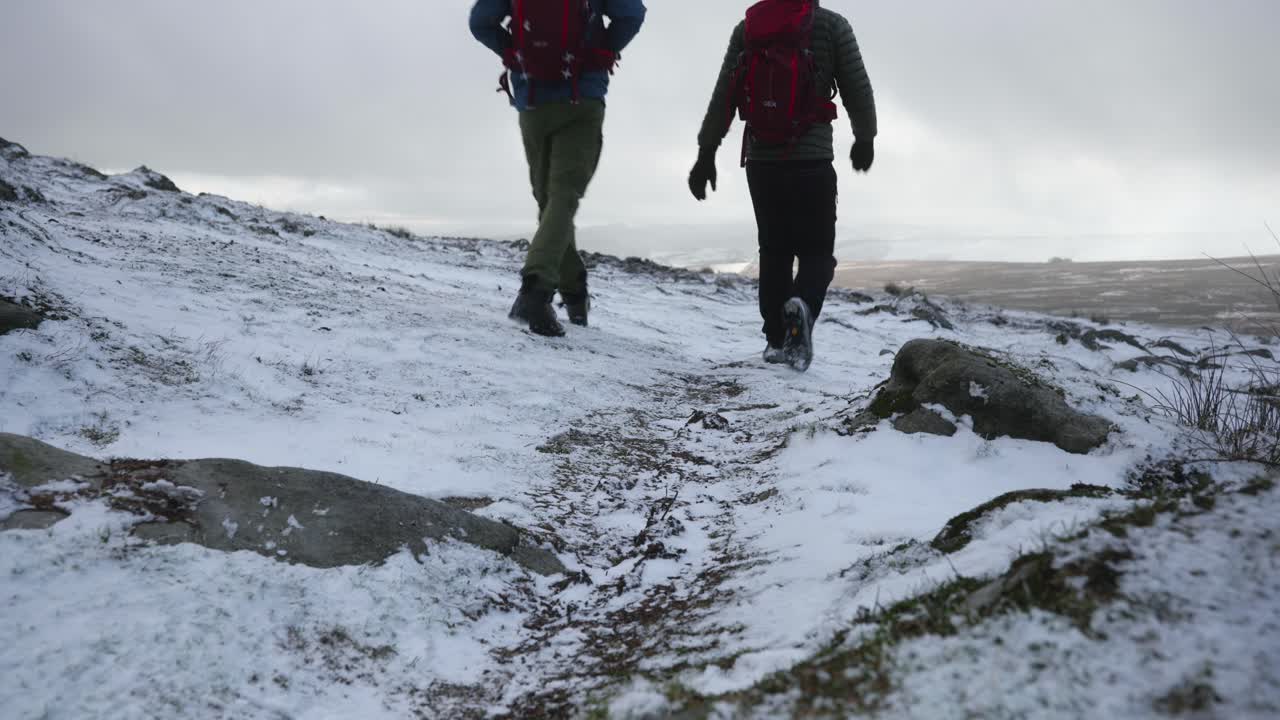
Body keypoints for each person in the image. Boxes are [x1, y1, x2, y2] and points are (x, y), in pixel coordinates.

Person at [689, 0, 876, 371]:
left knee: (774, 250)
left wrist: (706, 154)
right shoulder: (832, 26)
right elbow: (857, 85)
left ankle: (776, 339)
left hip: (762, 162)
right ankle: (802, 306)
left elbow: (723, 97)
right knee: (817, 253)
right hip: (812, 161)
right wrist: (865, 138)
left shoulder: (748, 29)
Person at [470, 0, 647, 337]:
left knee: (550, 202)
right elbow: (633, 14)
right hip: (582, 97)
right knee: (563, 198)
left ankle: (574, 293)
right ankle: (535, 292)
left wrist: (514, 54)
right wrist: (602, 51)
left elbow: (480, 22)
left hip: (532, 100)